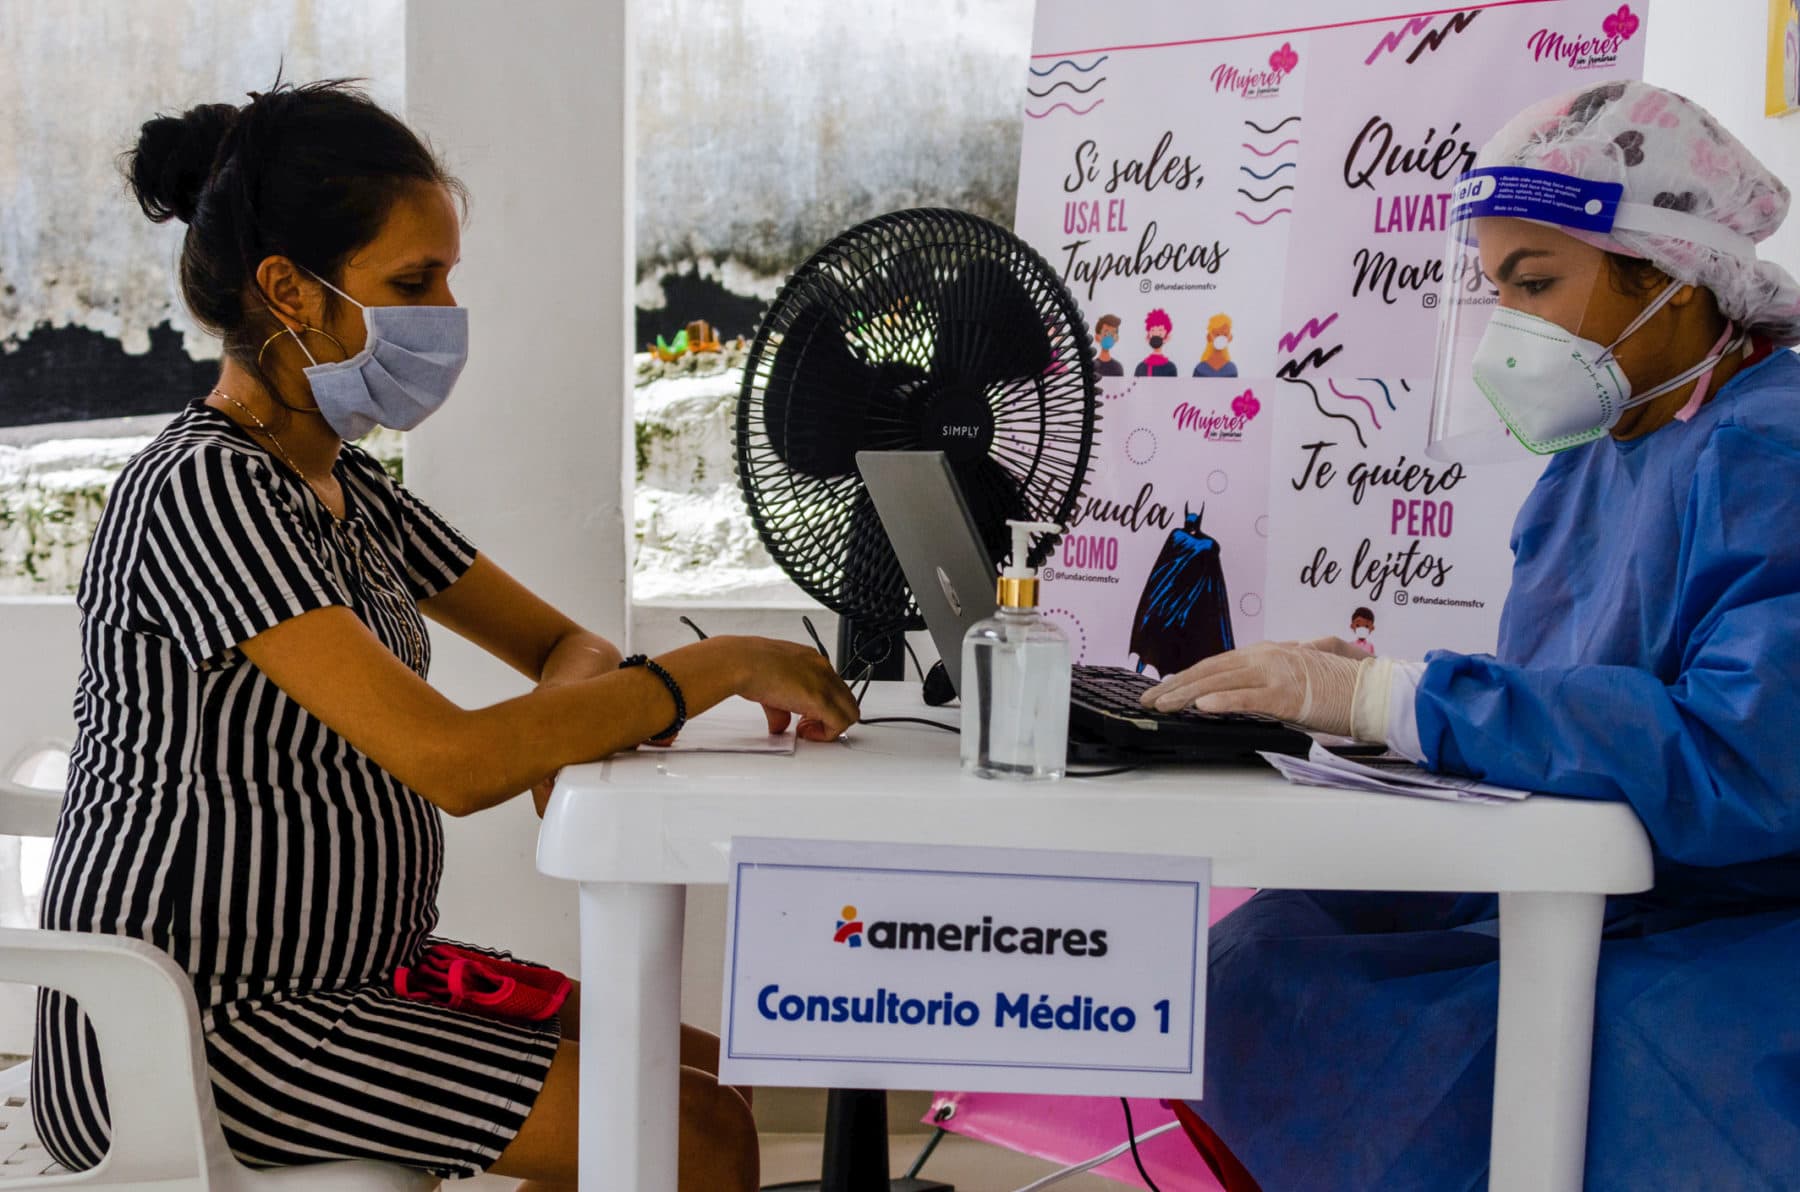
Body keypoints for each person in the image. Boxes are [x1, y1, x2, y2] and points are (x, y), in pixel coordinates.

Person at [32, 81, 859, 1192]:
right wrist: (719, 663)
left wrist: (567, 720)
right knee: (693, 1138)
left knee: (706, 1079)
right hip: (197, 1026)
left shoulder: (338, 482)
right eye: (413, 283)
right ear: (288, 292)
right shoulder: (204, 492)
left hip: (348, 979)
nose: (446, 312)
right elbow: (455, 763)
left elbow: (564, 647)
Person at [1143, 81, 1800, 1189]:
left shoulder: (1770, 452)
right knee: (1259, 960)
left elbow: (1747, 754)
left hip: (1736, 914)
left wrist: (1410, 701)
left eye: (1537, 283)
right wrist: (1373, 705)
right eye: (1497, 290)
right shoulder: (1595, 460)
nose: (1513, 327)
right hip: (1593, 875)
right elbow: (1568, 693)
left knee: (1587, 1047)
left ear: (1678, 276)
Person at [1134, 309, 1179, 377]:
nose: (1156, 334)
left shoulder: (1170, 368)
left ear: (1167, 336)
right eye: (1152, 330)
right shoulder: (1141, 367)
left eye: (1160, 330)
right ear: (1148, 337)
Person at [1192, 313, 1239, 377]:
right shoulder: (1200, 369)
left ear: (1230, 338)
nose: (1220, 338)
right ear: (1209, 337)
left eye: (1225, 335)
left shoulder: (1231, 369)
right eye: (1217, 334)